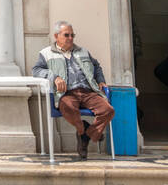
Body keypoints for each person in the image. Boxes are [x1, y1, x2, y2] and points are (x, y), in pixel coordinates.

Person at [32, 21, 115, 159]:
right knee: (67, 107)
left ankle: (85, 135)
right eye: (66, 35)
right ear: (56, 36)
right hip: (67, 93)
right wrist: (55, 78)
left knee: (108, 111)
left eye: (72, 35)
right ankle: (84, 130)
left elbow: (97, 66)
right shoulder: (46, 53)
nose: (70, 38)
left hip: (88, 91)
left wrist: (101, 80)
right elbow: (36, 70)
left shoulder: (83, 51)